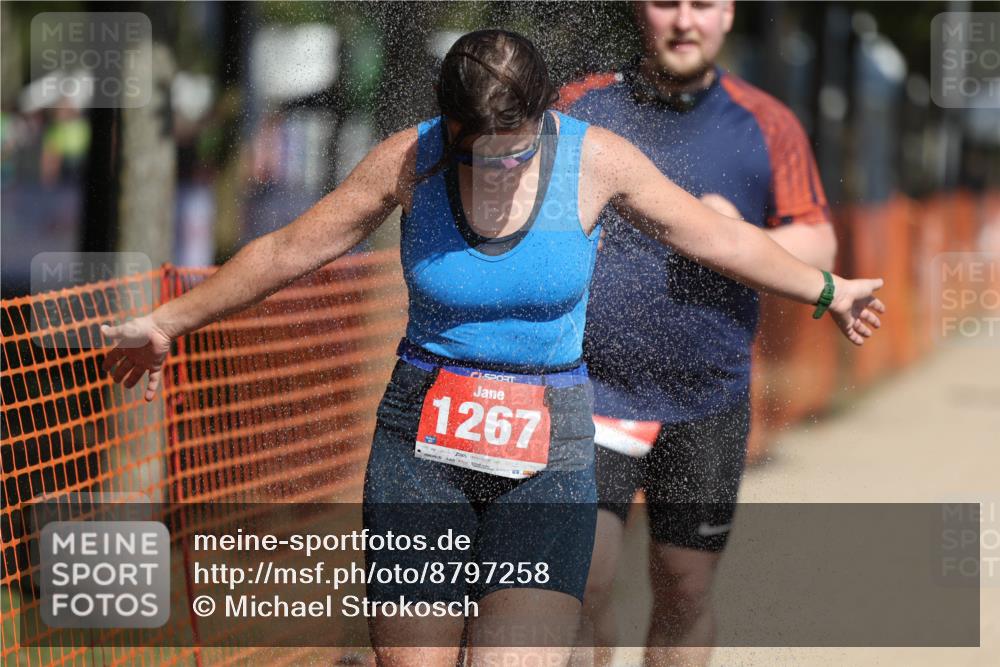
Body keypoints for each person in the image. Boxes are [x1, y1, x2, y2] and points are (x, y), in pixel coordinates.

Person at [100, 29, 883, 667]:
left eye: (516, 151)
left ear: (544, 116)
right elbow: (285, 252)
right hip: (421, 451)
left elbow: (714, 235)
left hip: (549, 452)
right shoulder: (409, 160)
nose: (501, 170)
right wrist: (169, 322)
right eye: (480, 153)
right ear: (450, 130)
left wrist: (827, 289)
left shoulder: (595, 159)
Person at [558, 1, 839, 665]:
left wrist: (738, 236)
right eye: (667, 3)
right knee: (580, 581)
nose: (685, 21)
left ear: (729, 15)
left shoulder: (766, 122)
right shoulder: (578, 108)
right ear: (639, 10)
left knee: (684, 587)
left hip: (707, 398)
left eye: (703, 5)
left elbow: (819, 243)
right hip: (591, 389)